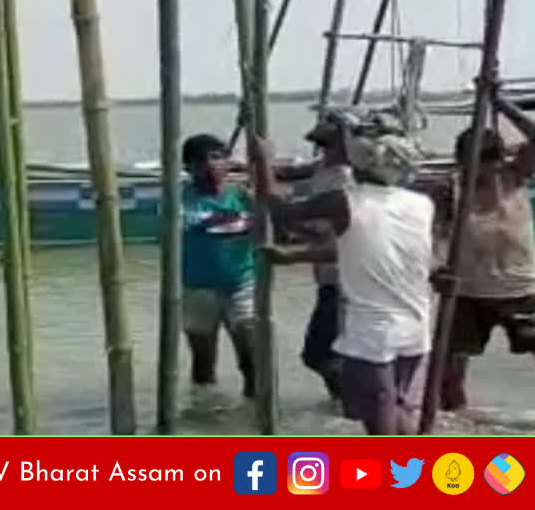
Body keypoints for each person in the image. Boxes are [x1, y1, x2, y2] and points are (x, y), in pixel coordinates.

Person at [253, 111, 436, 435]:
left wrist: (263, 163)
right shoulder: (421, 203)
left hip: (372, 329)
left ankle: (393, 479)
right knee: (399, 406)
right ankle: (413, 476)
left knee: (378, 415)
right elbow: (388, 249)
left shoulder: (345, 200)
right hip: (416, 323)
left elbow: (281, 213)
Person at [437, 91, 535, 411]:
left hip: (521, 291)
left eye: (483, 166)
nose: (477, 175)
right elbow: (429, 237)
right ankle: (459, 427)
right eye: (469, 166)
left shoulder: (515, 177)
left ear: (498, 161)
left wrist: (501, 102)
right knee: (448, 377)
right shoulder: (451, 190)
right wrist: (434, 270)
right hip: (467, 294)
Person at [260, 115, 355, 407]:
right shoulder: (324, 167)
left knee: (319, 355)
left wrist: (264, 163)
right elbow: (291, 175)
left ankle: (352, 404)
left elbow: (341, 241)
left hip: (344, 279)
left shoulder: (345, 178)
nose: (323, 148)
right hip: (328, 275)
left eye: (329, 141)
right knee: (333, 353)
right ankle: (344, 403)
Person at [180, 133, 257, 399]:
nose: (211, 165)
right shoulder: (182, 200)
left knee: (252, 360)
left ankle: (253, 415)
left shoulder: (241, 194)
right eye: (201, 161)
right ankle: (205, 418)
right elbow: (203, 222)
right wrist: (244, 221)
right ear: (188, 168)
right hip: (198, 288)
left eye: (216, 158)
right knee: (203, 365)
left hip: (242, 284)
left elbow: (269, 219)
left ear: (227, 162)